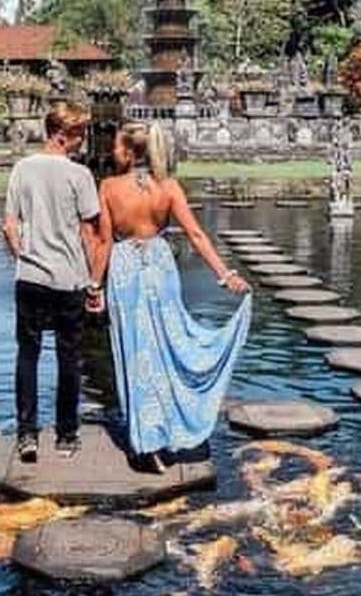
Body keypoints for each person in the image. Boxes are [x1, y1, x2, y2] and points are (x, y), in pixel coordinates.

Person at [92, 122, 251, 472]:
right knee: (165, 347)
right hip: (161, 265)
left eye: (117, 146)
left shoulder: (108, 186)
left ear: (132, 153)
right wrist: (225, 275)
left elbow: (104, 242)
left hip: (125, 268)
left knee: (135, 351)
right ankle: (166, 429)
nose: (111, 152)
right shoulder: (169, 187)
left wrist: (94, 286)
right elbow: (195, 234)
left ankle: (146, 441)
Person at [2, 101, 100, 463]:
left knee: (27, 355)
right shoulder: (79, 175)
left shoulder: (22, 169)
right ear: (63, 134)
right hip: (68, 278)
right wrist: (94, 282)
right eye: (80, 133)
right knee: (68, 358)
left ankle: (26, 434)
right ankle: (66, 434)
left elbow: (9, 226)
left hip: (30, 277)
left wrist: (22, 257)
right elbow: (90, 233)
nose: (84, 139)